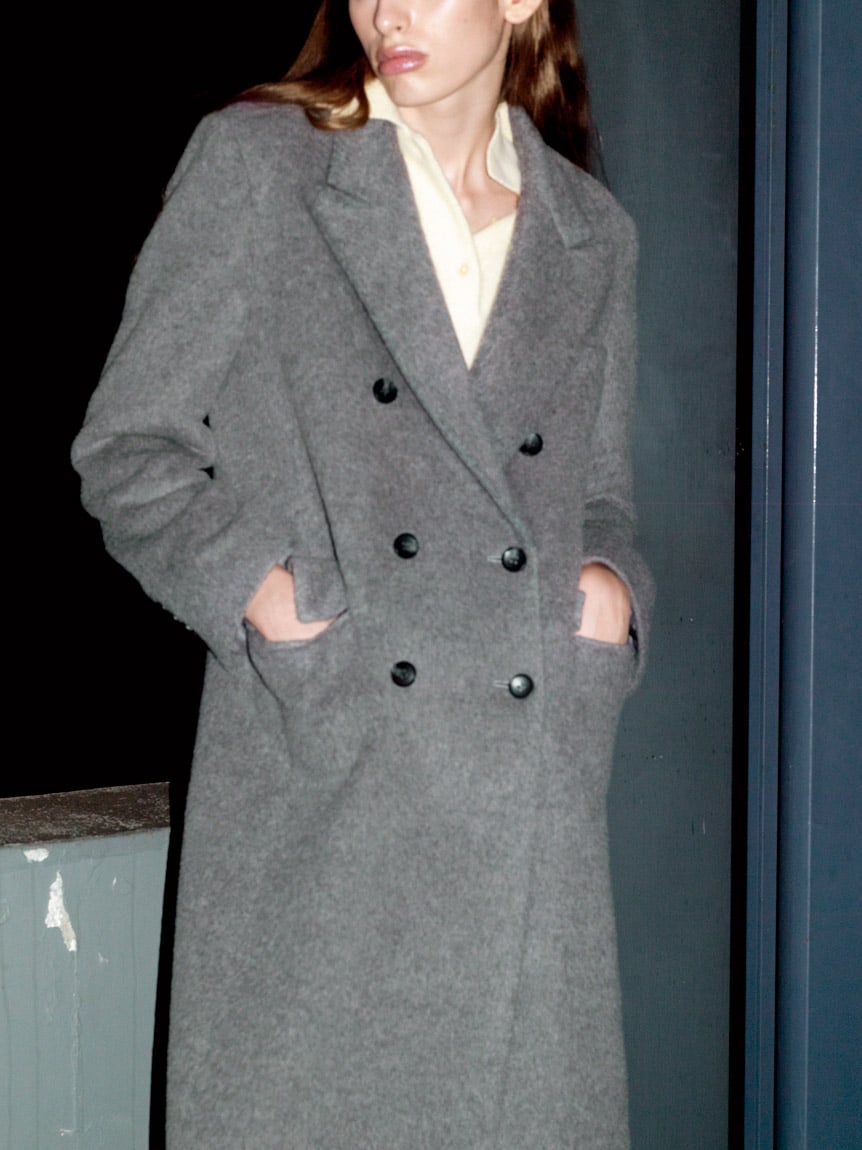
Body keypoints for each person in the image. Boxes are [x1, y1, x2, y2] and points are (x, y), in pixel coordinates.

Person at [73, 0, 653, 1145]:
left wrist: (608, 599)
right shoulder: (262, 166)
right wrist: (275, 602)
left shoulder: (591, 233)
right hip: (325, 798)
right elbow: (129, 451)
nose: (385, 12)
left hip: (529, 833)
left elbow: (600, 497)